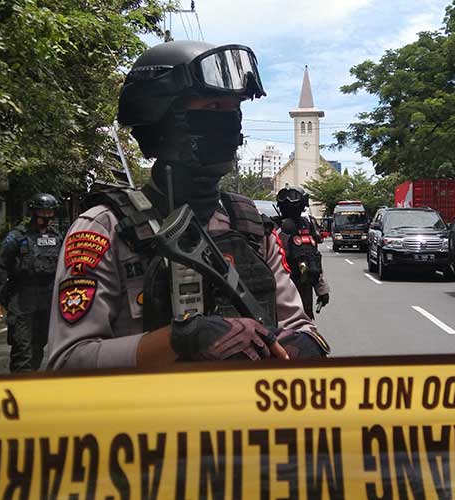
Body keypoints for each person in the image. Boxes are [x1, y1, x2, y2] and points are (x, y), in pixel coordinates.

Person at [46, 40, 329, 370]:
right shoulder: (106, 229)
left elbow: (297, 324)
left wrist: (303, 344)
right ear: (161, 119)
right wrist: (178, 340)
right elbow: (66, 362)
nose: (229, 123)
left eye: (233, 110)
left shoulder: (250, 224)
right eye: (212, 108)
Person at [0, 193, 63, 372]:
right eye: (42, 211)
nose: (46, 216)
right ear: (34, 211)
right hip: (22, 299)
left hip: (47, 300)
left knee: (39, 345)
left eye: (49, 211)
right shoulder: (17, 236)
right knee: (22, 349)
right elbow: (2, 266)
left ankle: (30, 382)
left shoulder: (57, 237)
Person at [275, 186, 330, 319]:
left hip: (304, 288)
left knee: (305, 327)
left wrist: (322, 290)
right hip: (280, 291)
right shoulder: (272, 227)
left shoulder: (307, 224)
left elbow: (313, 259)